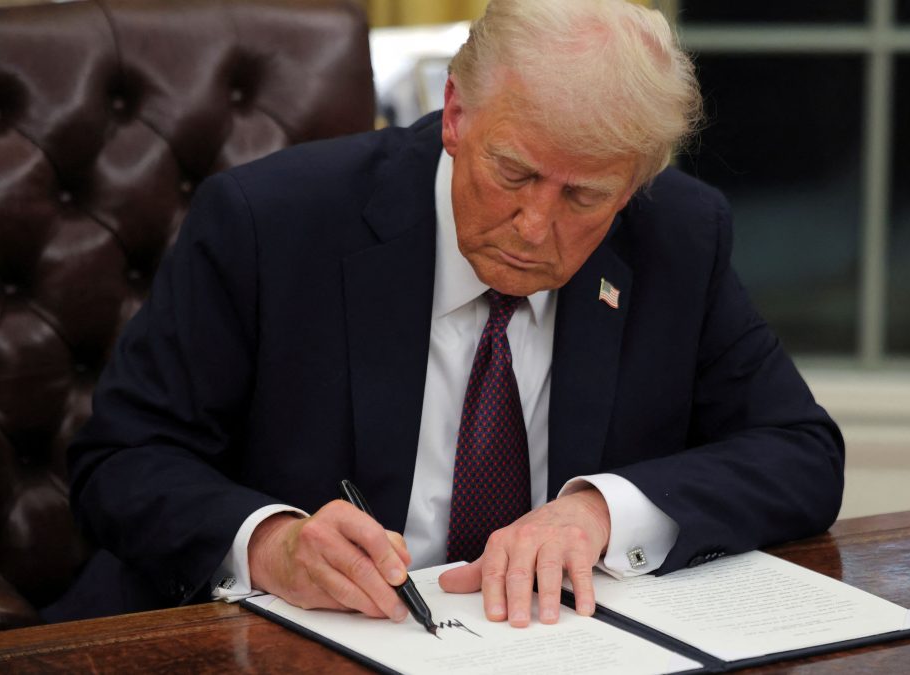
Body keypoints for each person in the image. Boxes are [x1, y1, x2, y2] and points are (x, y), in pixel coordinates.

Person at [50, 0, 844, 629]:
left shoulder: (678, 235)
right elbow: (121, 458)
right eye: (515, 172)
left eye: (584, 196)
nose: (536, 225)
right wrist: (272, 542)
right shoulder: (270, 223)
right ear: (456, 113)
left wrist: (600, 510)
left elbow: (801, 452)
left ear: (635, 184)